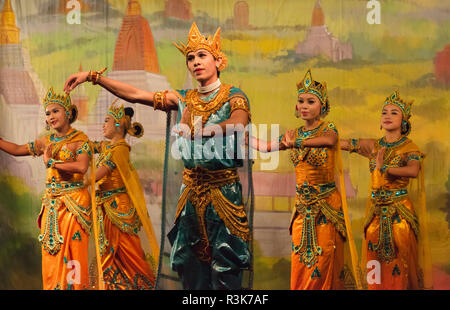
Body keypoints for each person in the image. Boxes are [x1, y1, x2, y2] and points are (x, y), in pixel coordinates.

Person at [63, 22, 252, 290]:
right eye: (190, 58)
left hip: (224, 194)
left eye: (202, 56)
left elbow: (238, 122)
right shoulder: (184, 98)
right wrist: (94, 77)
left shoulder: (233, 95)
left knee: (226, 267)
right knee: (192, 270)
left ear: (219, 60)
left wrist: (205, 130)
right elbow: (137, 94)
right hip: (191, 194)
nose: (195, 62)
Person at [249, 69, 360, 290]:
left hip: (327, 207)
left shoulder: (328, 129)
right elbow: (265, 147)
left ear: (323, 106)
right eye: (301, 101)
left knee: (325, 257)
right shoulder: (294, 134)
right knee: (302, 262)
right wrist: (242, 135)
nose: (305, 105)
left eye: (311, 101)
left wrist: (296, 144)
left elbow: (330, 141)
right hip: (302, 210)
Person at [0, 87, 93, 290]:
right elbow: (17, 150)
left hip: (74, 205)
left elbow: (81, 167)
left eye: (55, 111)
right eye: (48, 113)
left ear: (68, 112)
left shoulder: (81, 141)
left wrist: (51, 163)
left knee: (74, 256)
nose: (51, 116)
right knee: (53, 258)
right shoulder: (46, 142)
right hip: (52, 208)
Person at [341, 90, 433, 290]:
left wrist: (385, 168)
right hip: (376, 216)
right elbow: (345, 144)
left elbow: (413, 170)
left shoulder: (410, 147)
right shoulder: (374, 146)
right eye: (384, 113)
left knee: (400, 264)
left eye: (394, 113)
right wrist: (322, 136)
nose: (388, 116)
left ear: (404, 121)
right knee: (375, 265)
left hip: (399, 215)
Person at [92, 101, 158, 290]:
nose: (103, 125)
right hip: (106, 207)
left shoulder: (120, 150)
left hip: (117, 209)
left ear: (119, 125)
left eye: (107, 121)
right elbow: (88, 146)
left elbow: (97, 176)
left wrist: (78, 180)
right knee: (108, 254)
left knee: (129, 254)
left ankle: (146, 286)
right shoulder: (108, 147)